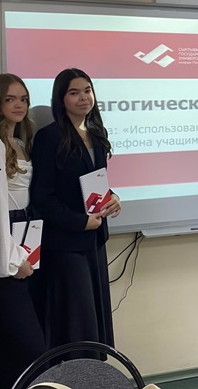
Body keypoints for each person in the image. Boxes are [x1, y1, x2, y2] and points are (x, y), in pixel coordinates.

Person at [31, 68, 120, 354]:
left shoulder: (96, 134)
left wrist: (113, 197)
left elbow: (96, 183)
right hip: (65, 243)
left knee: (94, 319)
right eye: (74, 92)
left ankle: (93, 371)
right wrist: (80, 222)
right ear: (61, 98)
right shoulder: (49, 137)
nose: (83, 98)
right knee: (76, 322)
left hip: (94, 240)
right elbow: (42, 198)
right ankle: (75, 373)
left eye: (87, 90)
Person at [0, 73, 46, 388]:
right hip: (3, 248)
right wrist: (10, 261)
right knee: (32, 347)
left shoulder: (18, 142)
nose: (19, 105)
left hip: (24, 236)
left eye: (24, 99)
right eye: (10, 99)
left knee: (5, 345)